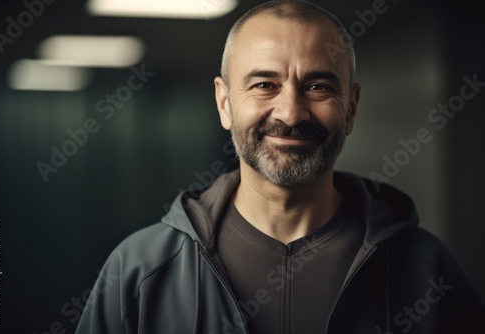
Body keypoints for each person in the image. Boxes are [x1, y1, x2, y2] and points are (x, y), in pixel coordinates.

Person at [75, 1, 485, 333]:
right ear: (224, 103)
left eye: (318, 86)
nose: (290, 112)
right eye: (264, 85)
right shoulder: (139, 270)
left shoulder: (428, 270)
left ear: (352, 108)